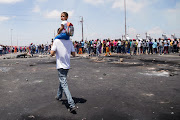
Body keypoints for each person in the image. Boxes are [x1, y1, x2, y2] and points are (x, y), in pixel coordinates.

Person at [50, 36, 77, 112]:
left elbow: (51, 53)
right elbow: (74, 54)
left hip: (60, 66)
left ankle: (71, 104)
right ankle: (59, 96)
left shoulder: (56, 41)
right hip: (67, 65)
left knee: (64, 83)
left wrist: (53, 44)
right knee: (62, 80)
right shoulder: (69, 41)